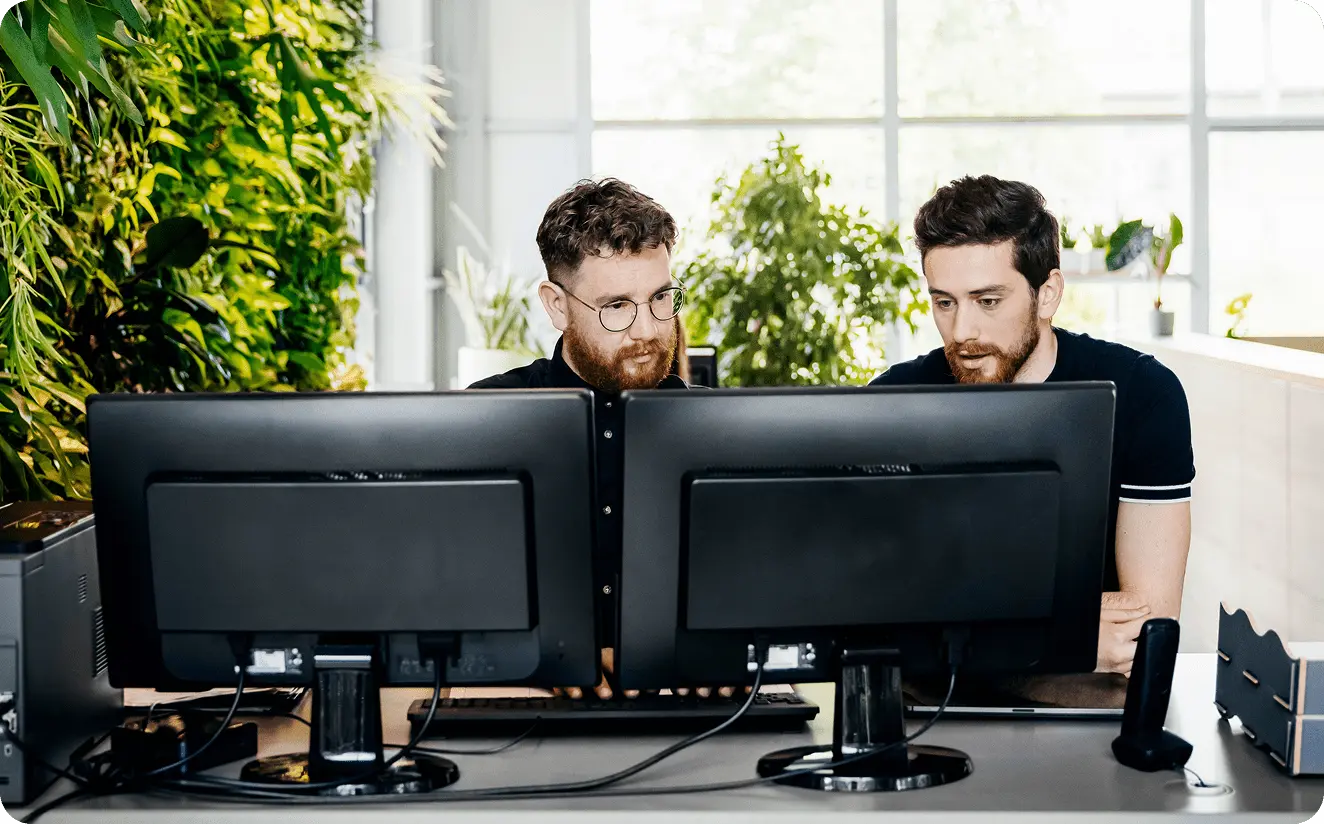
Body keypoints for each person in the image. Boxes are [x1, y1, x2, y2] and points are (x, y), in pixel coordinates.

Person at [872, 175, 1195, 678]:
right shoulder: (892, 402)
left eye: (988, 301)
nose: (962, 332)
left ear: (1048, 295)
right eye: (945, 302)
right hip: (931, 709)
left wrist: (958, 620)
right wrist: (1064, 634)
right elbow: (874, 619)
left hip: (1086, 719)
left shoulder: (1143, 396)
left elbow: (1143, 631)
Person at [471, 178, 709, 698]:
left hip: (681, 711)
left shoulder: (711, 432)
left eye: (660, 298)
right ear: (557, 306)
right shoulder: (484, 421)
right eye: (617, 306)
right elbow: (451, 597)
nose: (647, 329)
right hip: (521, 712)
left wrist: (718, 658)